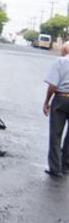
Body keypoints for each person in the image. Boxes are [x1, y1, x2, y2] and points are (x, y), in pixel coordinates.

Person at [43, 41, 69, 177]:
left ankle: (55, 168)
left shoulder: (60, 61)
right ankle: (66, 166)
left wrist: (47, 101)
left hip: (61, 98)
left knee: (56, 134)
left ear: (64, 51)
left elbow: (53, 85)